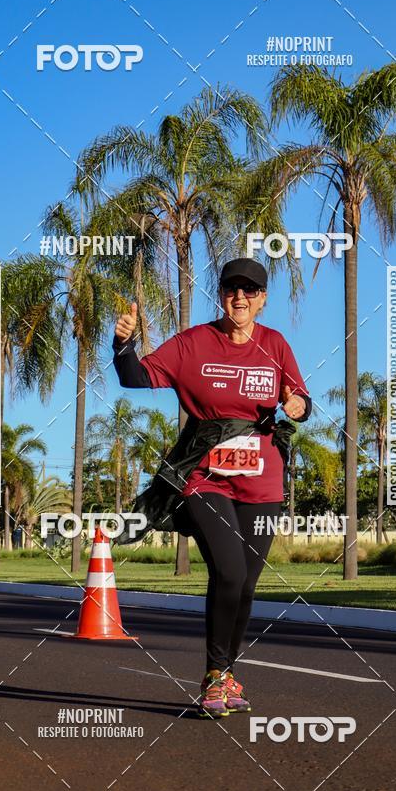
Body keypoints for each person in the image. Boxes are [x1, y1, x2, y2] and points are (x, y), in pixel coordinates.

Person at [112, 258, 311, 719]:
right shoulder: (194, 343)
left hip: (263, 484)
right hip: (204, 477)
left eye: (249, 290)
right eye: (231, 289)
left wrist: (297, 405)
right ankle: (216, 677)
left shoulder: (274, 345)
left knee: (245, 586)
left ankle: (222, 674)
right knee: (230, 572)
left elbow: (300, 399)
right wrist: (123, 344)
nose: (239, 297)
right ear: (220, 294)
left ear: (262, 298)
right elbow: (135, 376)